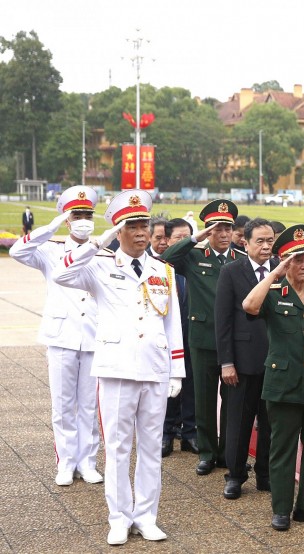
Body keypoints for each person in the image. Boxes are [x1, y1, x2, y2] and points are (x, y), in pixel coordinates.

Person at [53, 190, 184, 545]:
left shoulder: (162, 270)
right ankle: (118, 517)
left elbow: (172, 323)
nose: (142, 233)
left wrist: (176, 370)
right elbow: (62, 274)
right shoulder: (98, 264)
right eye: (133, 226)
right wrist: (98, 242)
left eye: (145, 225)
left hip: (155, 369)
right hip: (116, 369)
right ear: (119, 230)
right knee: (118, 448)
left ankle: (146, 516)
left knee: (151, 448)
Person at [242, 224, 304, 532]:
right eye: (298, 260)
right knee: (282, 450)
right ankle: (282, 510)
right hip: (283, 386)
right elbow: (249, 306)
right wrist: (273, 274)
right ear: (286, 263)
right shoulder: (273, 294)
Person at [9, 186, 103, 487]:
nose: (83, 220)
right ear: (67, 219)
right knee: (62, 405)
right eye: (77, 215)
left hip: (92, 336)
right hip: (62, 335)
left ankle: (88, 462)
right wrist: (49, 226)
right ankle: (66, 461)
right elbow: (16, 251)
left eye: (88, 214)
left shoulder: (103, 251)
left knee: (89, 406)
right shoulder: (50, 250)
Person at [161, 199, 245, 476]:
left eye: (227, 229)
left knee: (234, 402)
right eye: (216, 229)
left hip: (235, 342)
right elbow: (167, 257)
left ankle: (229, 453)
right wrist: (195, 237)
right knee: (204, 400)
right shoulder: (195, 257)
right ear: (208, 230)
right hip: (204, 339)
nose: (222, 234)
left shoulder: (240, 260)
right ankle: (207, 452)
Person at [215, 218, 276, 499]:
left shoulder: (281, 270)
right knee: (238, 422)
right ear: (246, 243)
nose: (265, 246)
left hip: (276, 362)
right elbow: (223, 320)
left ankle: (265, 473)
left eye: (270, 241)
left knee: (271, 423)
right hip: (242, 361)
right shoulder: (232, 271)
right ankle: (235, 475)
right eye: (260, 241)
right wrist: (226, 362)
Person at [161, 218, 197, 457]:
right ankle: (166, 433)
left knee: (192, 386)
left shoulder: (197, 263)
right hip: (167, 338)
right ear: (167, 241)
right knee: (169, 387)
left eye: (188, 237)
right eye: (179, 238)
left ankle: (190, 433)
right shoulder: (159, 266)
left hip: (193, 334)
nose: (184, 243)